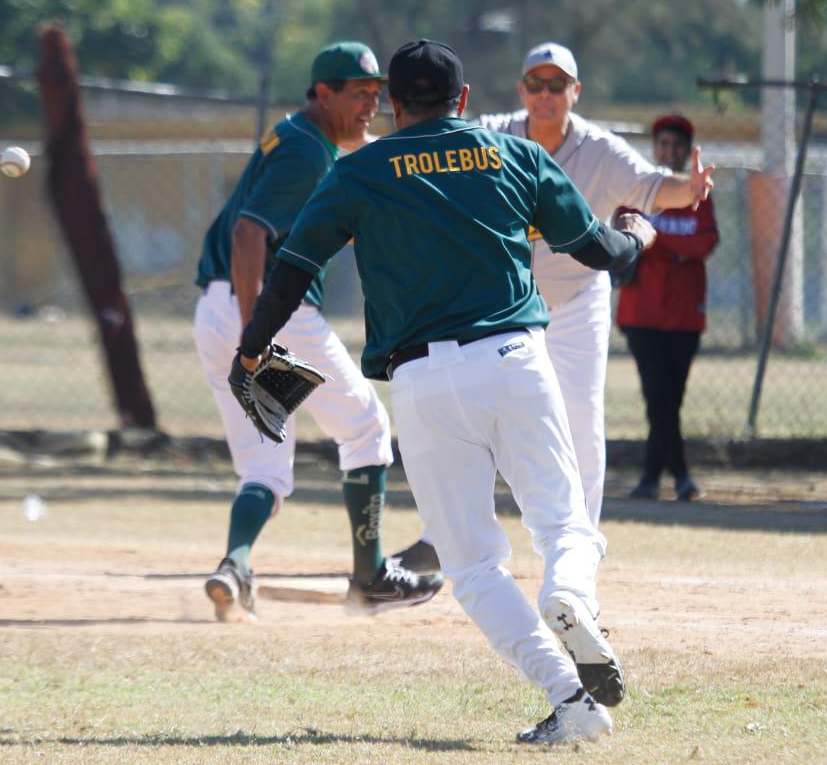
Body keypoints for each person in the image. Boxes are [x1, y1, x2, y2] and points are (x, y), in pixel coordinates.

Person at [228, 39, 656, 745]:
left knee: (473, 566)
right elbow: (601, 255)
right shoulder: (512, 155)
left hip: (422, 382)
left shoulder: (359, 168)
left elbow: (292, 270)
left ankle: (570, 701)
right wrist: (635, 232)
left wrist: (251, 348)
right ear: (462, 102)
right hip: (517, 360)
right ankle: (570, 596)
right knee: (565, 525)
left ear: (394, 106)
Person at [392, 41, 713, 563]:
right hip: (504, 306)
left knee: (581, 419)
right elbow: (437, 142)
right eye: (536, 84)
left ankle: (579, 546)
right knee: (476, 416)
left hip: (576, 298)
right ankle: (444, 538)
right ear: (522, 91)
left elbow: (654, 187)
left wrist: (692, 188)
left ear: (575, 91)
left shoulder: (600, 150)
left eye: (557, 84)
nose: (545, 94)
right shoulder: (494, 135)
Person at [193, 41, 443, 621]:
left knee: (263, 467)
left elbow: (359, 152)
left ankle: (234, 565)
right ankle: (371, 578)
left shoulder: (301, 137)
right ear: (322, 94)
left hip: (214, 309)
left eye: (377, 95)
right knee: (365, 429)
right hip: (271, 311)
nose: (370, 105)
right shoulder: (307, 153)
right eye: (358, 94)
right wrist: (256, 338)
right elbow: (248, 235)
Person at [617, 114, 719, 501]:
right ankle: (678, 476)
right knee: (657, 397)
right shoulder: (636, 191)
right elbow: (622, 239)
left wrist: (657, 245)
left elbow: (705, 244)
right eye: (663, 144)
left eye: (677, 145)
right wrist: (676, 252)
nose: (669, 151)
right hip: (641, 313)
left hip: (683, 315)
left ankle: (653, 479)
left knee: (669, 399)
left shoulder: (698, 197)